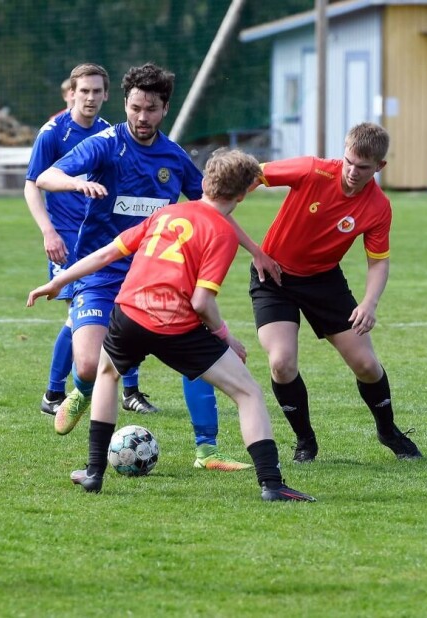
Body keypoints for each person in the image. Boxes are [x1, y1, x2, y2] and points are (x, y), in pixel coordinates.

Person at [27, 148, 315, 502]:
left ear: (206, 182)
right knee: (248, 393)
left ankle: (93, 472)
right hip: (176, 324)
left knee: (107, 374)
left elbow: (106, 255)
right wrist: (227, 338)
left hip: (129, 314)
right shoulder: (223, 233)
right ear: (243, 194)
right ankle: (271, 484)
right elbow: (201, 303)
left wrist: (58, 282)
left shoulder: (166, 214)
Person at [36, 63, 281, 471]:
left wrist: (255, 250)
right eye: (135, 108)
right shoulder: (104, 144)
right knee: (88, 365)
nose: (142, 117)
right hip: (104, 272)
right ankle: (81, 387)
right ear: (126, 104)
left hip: (158, 277)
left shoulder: (173, 156)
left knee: (196, 349)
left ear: (164, 108)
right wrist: (75, 183)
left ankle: (208, 450)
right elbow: (47, 176)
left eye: (151, 109)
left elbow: (215, 206)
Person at [249, 121, 422, 463]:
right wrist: (251, 244)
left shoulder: (378, 207)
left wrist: (369, 304)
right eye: (349, 162)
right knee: (281, 363)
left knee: (367, 365)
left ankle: (388, 431)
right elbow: (252, 175)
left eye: (363, 167)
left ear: (380, 167)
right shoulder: (312, 171)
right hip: (274, 276)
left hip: (324, 282)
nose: (353, 172)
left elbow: (378, 263)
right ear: (343, 153)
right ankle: (305, 441)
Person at [26, 64, 163, 416]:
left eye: (96, 91)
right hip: (67, 237)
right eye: (83, 91)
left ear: (106, 95)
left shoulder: (108, 133)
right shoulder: (53, 132)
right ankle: (57, 392)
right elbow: (33, 183)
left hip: (102, 237)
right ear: (71, 92)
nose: (90, 97)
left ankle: (124, 390)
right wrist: (48, 230)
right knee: (79, 316)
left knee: (120, 312)